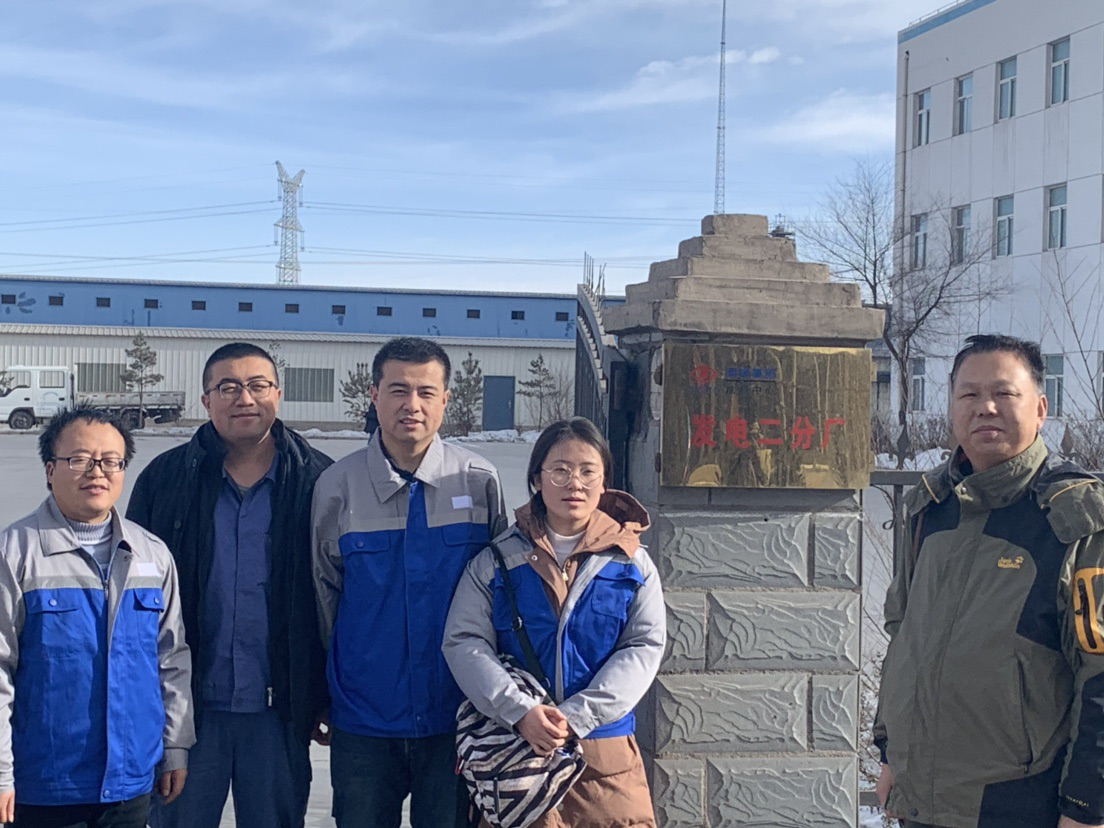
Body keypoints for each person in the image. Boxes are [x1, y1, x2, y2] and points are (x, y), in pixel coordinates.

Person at [874, 334, 1104, 828]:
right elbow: (905, 637)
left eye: (1004, 393)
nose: (986, 407)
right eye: (970, 394)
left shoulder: (1074, 517)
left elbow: (1100, 672)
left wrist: (1087, 806)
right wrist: (891, 753)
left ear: (1040, 409)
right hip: (923, 801)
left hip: (1023, 802)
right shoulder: (931, 507)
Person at [127, 342, 332, 828]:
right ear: (206, 400)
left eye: (258, 385)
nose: (245, 398)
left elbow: (335, 597)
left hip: (278, 711)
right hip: (188, 711)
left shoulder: (319, 480)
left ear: (278, 394)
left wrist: (322, 694)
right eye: (228, 387)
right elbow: (133, 599)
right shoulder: (165, 479)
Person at [312, 336, 506, 828]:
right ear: (374, 395)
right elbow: (322, 593)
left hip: (458, 715)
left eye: (426, 392)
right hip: (365, 715)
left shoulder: (478, 480)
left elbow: (503, 594)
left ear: (446, 400)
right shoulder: (337, 486)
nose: (411, 405)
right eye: (398, 390)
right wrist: (324, 691)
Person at [443, 416, 666, 828]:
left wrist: (578, 717)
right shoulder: (496, 561)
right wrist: (520, 711)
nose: (574, 483)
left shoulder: (631, 562)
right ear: (537, 480)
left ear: (604, 481)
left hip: (606, 757)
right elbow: (464, 641)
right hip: (518, 757)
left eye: (587, 471)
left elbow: (643, 647)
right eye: (560, 470)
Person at [0, 406, 194, 828]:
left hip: (131, 783)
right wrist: (1, 772)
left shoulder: (151, 554)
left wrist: (175, 745)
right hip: (45, 784)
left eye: (111, 461)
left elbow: (171, 658)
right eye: (80, 459)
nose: (97, 472)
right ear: (50, 469)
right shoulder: (15, 553)